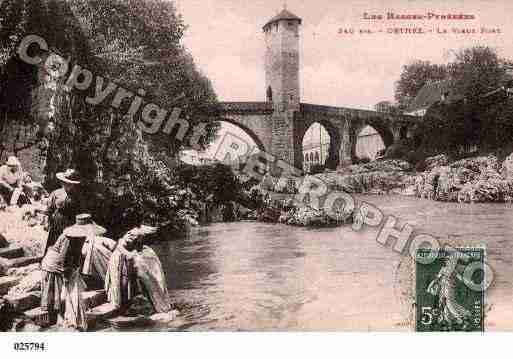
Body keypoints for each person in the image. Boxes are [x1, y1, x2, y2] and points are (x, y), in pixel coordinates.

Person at [40, 214, 107, 329]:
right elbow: (64, 257)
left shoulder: (79, 237)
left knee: (66, 294)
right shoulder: (70, 238)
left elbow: (74, 256)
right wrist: (66, 274)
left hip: (62, 263)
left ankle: (68, 318)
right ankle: (53, 320)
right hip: (54, 263)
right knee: (55, 293)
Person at [105, 226, 172, 314]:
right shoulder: (123, 242)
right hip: (119, 263)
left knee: (133, 283)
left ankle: (134, 304)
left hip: (128, 261)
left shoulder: (141, 244)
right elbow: (125, 252)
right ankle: (120, 305)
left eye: (136, 237)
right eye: (130, 235)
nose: (130, 236)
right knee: (122, 284)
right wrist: (133, 255)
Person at [44, 169, 89, 255]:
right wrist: (47, 222)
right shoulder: (56, 193)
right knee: (53, 245)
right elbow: (49, 210)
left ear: (74, 184)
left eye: (70, 184)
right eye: (65, 183)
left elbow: (81, 212)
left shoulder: (78, 196)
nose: (67, 186)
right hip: (56, 225)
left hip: (70, 225)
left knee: (67, 247)